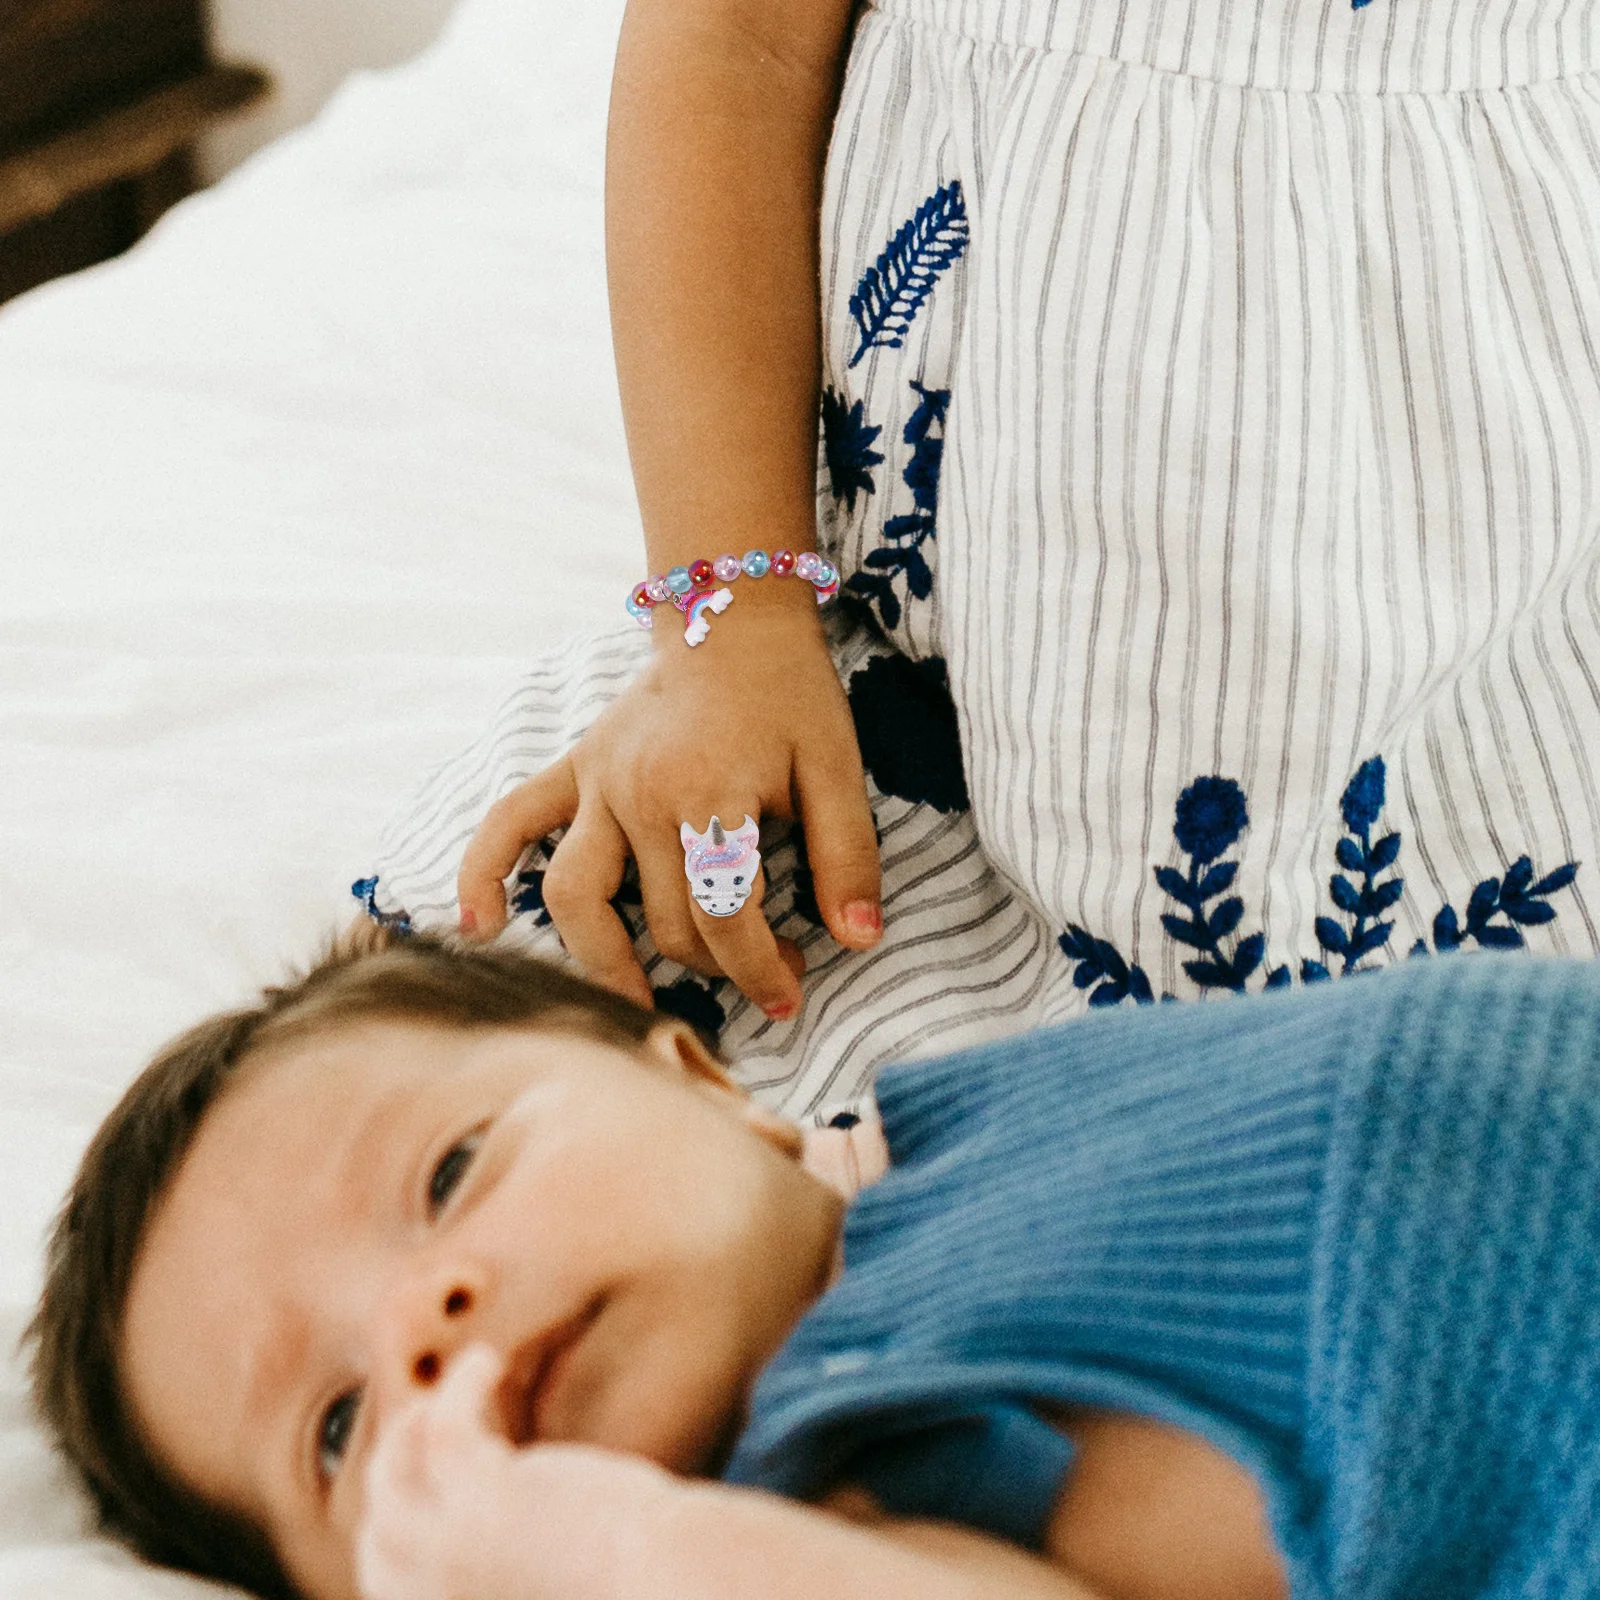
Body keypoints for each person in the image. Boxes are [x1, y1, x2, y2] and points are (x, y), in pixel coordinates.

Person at [432, 0, 1600, 1050]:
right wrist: (733, 623)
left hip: (1506, 616)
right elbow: (739, 38)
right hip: (917, 670)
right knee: (525, 1078)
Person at [26, 927, 1600, 1600]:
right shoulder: (805, 1511)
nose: (418, 1325)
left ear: (707, 1084)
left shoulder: (956, 1127)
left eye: (450, 1174)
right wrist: (634, 1558)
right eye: (338, 1426)